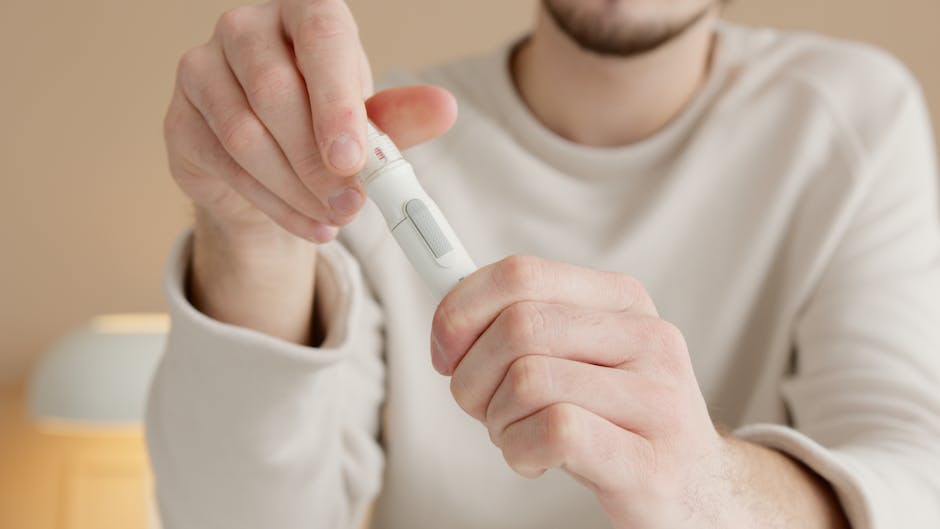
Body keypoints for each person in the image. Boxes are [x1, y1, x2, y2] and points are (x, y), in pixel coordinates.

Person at [145, 0, 940, 527]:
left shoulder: (850, 120)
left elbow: (916, 482)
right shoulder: (351, 140)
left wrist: (706, 484)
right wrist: (249, 236)